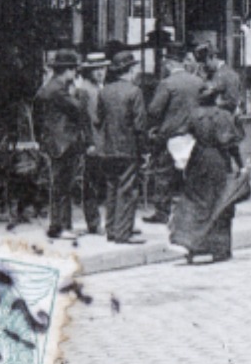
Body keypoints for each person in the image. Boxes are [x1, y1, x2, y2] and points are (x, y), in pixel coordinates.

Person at [170, 85, 244, 263]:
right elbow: (232, 144)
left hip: (199, 160)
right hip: (219, 161)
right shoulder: (224, 116)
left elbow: (180, 133)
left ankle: (194, 246)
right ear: (216, 98)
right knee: (221, 204)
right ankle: (221, 248)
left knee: (197, 204)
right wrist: (241, 165)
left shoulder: (194, 115)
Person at [33, 50, 88, 241]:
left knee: (59, 186)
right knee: (63, 187)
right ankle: (60, 227)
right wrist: (80, 91)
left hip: (54, 143)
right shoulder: (59, 90)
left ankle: (61, 225)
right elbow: (79, 109)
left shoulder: (47, 87)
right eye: (74, 70)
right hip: (63, 144)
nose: (75, 75)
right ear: (69, 70)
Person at [93, 52, 148, 244]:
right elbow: (140, 125)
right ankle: (124, 232)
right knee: (128, 189)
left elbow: (98, 120)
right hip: (128, 148)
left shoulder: (104, 91)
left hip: (108, 148)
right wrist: (144, 151)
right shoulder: (135, 92)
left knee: (111, 188)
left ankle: (112, 229)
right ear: (130, 70)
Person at [145, 50, 202, 224]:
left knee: (163, 174)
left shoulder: (167, 84)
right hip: (194, 134)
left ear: (169, 63)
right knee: (192, 174)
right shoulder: (198, 82)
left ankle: (162, 212)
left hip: (171, 135)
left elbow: (154, 110)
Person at [72, 54, 108, 235]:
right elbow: (83, 120)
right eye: (97, 70)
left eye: (103, 69)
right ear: (89, 71)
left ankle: (99, 221)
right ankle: (93, 222)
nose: (101, 73)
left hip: (102, 140)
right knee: (91, 182)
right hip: (92, 141)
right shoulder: (84, 90)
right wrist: (89, 143)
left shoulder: (99, 88)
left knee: (99, 181)